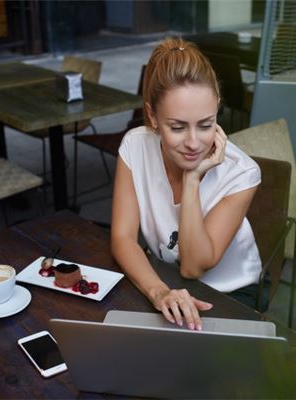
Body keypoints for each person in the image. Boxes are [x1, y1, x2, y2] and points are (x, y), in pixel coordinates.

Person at [111, 37, 263, 331]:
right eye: (178, 127)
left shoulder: (242, 172)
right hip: (164, 277)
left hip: (231, 293)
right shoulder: (134, 146)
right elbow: (123, 237)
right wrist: (159, 291)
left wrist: (191, 179)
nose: (194, 143)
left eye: (206, 125)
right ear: (153, 116)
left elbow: (193, 267)